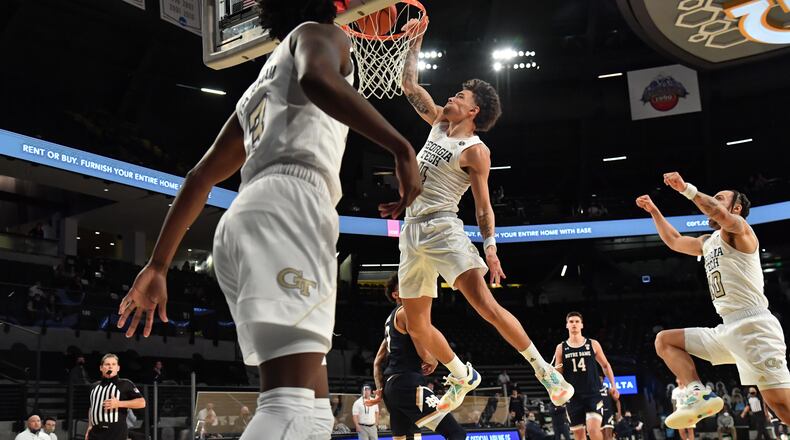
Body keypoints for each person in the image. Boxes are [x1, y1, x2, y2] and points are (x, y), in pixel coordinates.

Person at [116, 1, 421, 439]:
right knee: (289, 408)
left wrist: (160, 264)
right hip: (290, 209)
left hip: (246, 218)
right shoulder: (320, 33)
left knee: (314, 413)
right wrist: (401, 147)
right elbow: (317, 77)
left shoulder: (259, 89)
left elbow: (199, 177)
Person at [395, 17, 573, 413]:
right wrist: (416, 40)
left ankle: (544, 370)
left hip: (443, 228)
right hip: (411, 231)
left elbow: (483, 204)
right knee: (414, 322)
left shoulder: (476, 151)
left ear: (474, 109)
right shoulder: (440, 123)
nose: (452, 97)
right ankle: (461, 373)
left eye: (460, 95)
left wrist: (490, 247)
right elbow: (409, 86)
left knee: (485, 305)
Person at [637, 173, 790, 429]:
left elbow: (719, 213)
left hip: (755, 326)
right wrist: (654, 211)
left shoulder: (741, 231)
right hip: (727, 329)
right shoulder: (708, 242)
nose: (713, 203)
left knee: (781, 406)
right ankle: (698, 393)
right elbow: (674, 241)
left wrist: (686, 189)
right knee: (665, 340)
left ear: (736, 208)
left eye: (720, 199)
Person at [366, 274, 467, 440]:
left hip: (391, 389)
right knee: (457, 434)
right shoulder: (406, 312)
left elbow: (377, 362)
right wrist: (432, 360)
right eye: (405, 286)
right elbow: (423, 352)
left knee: (409, 438)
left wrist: (379, 390)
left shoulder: (389, 321)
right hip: (407, 384)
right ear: (395, 295)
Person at [552, 312, 619, 440]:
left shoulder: (593, 344)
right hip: (573, 396)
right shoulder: (561, 348)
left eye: (577, 321)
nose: (574, 324)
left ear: (582, 325)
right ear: (567, 325)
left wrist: (613, 386)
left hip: (593, 394)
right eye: (571, 322)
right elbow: (557, 375)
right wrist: (556, 389)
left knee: (593, 430)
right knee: (579, 436)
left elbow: (606, 365)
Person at [85, 354, 145, 440]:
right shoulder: (94, 386)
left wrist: (119, 403)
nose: (110, 367)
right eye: (107, 364)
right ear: (101, 368)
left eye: (113, 364)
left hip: (116, 433)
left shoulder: (125, 384)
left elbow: (142, 402)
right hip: (95, 432)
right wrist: (90, 426)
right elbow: (92, 407)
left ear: (118, 368)